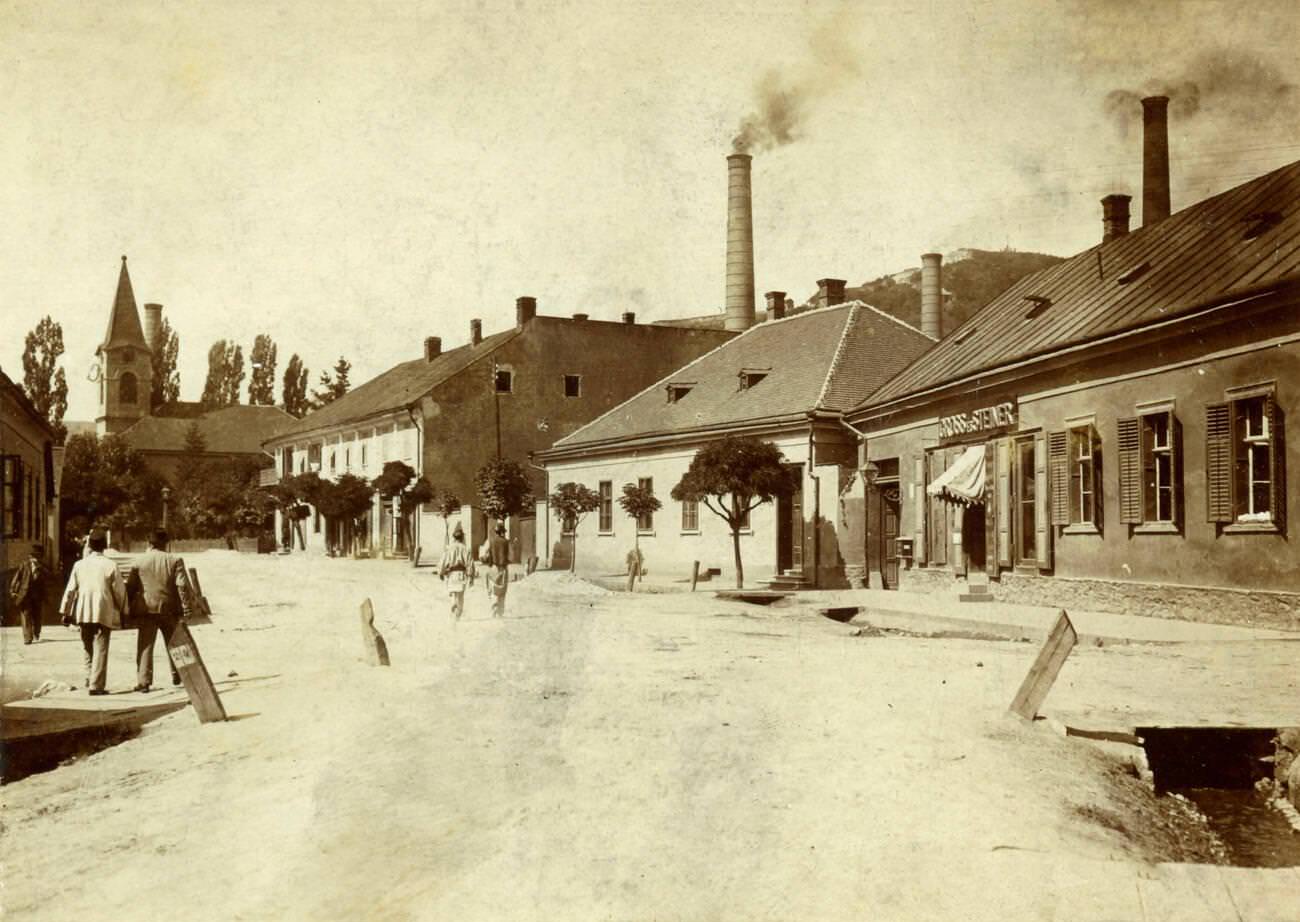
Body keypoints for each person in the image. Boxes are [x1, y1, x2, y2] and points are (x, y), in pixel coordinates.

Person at [59, 528, 126, 695]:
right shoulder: (110, 565)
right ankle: (96, 686)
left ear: (89, 545)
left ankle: (89, 678)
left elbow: (70, 590)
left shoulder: (79, 565)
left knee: (87, 645)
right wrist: (124, 609)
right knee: (101, 647)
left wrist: (65, 612)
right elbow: (119, 592)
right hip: (103, 610)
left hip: (83, 611)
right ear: (104, 546)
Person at [132, 529, 191, 692]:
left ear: (149, 542)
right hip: (169, 608)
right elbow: (182, 586)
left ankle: (143, 682)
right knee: (175, 643)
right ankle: (180, 675)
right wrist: (186, 608)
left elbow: (131, 587)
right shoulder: (175, 560)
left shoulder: (139, 561)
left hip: (147, 609)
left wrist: (129, 608)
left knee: (145, 645)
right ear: (166, 543)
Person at [8, 543, 48, 644]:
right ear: (31, 557)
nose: (35, 559)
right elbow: (17, 577)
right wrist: (13, 590)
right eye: (34, 557)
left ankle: (36, 633)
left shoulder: (42, 567)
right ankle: (27, 638)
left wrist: (41, 568)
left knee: (37, 615)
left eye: (38, 557)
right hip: (25, 594)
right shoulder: (24, 565)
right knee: (26, 615)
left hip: (38, 595)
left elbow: (49, 577)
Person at [439, 523, 473, 621]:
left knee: (453, 592)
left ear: (454, 537)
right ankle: (458, 614)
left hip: (451, 574)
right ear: (462, 537)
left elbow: (443, 561)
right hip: (461, 574)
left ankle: (453, 604)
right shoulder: (466, 549)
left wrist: (441, 572)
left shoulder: (449, 548)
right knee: (460, 595)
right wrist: (470, 576)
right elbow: (469, 563)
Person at [488, 522, 511, 619]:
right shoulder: (506, 542)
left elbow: (486, 555)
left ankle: (494, 610)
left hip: (493, 567)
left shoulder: (491, 541)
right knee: (502, 590)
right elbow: (511, 556)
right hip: (503, 568)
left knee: (494, 590)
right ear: (502, 532)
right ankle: (500, 613)